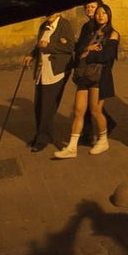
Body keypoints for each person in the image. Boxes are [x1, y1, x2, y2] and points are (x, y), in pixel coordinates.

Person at [55, 2, 119, 158]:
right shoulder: (90, 30)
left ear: (109, 15)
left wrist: (87, 54)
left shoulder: (113, 34)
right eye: (98, 13)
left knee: (96, 111)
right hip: (84, 74)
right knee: (78, 111)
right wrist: (86, 49)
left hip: (100, 75)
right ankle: (72, 147)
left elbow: (107, 56)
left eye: (104, 13)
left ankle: (103, 140)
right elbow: (80, 48)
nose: (100, 15)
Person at [26, 10, 74, 152]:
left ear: (59, 12)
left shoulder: (65, 25)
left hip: (56, 72)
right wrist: (31, 55)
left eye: (53, 11)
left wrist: (50, 46)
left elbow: (70, 47)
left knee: (48, 107)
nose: (49, 14)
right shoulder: (43, 26)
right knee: (38, 105)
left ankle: (42, 139)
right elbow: (39, 45)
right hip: (41, 71)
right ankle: (41, 134)